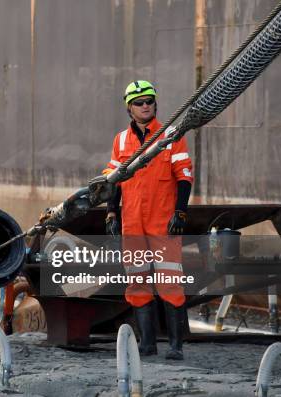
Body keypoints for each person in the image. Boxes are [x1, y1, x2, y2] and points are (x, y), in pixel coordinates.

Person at [104, 80, 193, 360]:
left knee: (170, 281)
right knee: (137, 282)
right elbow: (112, 181)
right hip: (132, 222)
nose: (145, 106)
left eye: (149, 101)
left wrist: (180, 212)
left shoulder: (171, 135)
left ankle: (176, 346)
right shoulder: (120, 141)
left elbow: (184, 176)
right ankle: (147, 344)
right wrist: (110, 212)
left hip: (163, 221)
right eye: (139, 102)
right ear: (129, 108)